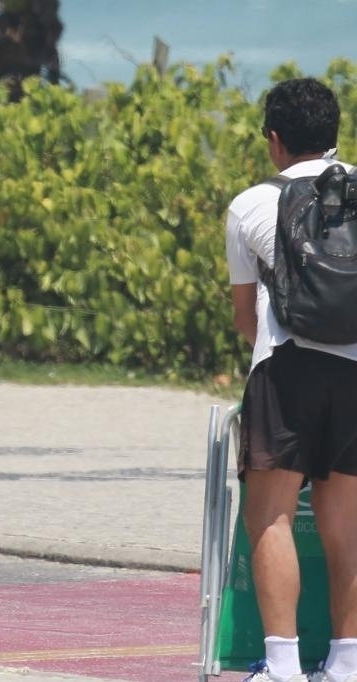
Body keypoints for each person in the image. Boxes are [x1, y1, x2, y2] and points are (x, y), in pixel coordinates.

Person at [226, 78, 357, 682]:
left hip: (285, 368)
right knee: (347, 523)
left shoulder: (251, 204)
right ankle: (347, 665)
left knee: (271, 517)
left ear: (275, 141)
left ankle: (281, 667)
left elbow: (241, 313)